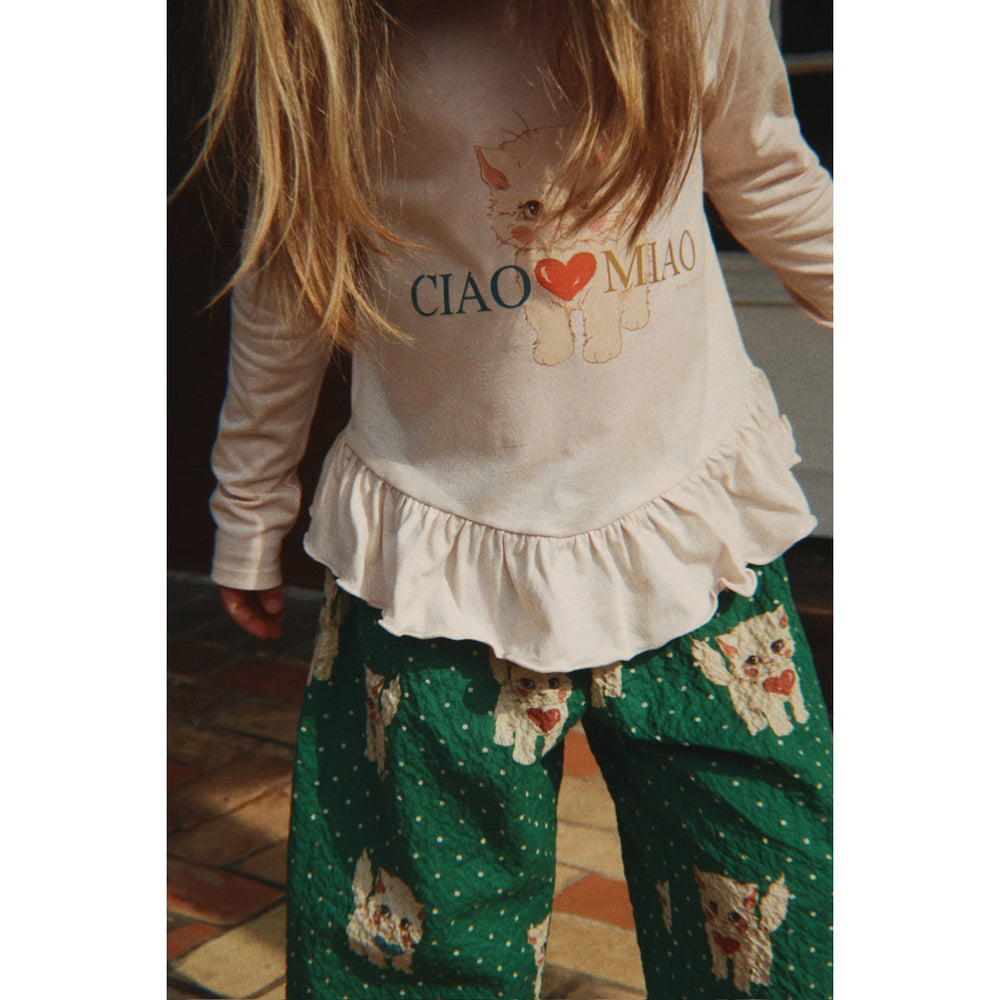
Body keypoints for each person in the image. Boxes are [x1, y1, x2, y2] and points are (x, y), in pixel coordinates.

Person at [198, 1, 832, 996]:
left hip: (695, 538)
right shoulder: (335, 37)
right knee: (417, 954)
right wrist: (249, 501)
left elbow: (762, 166)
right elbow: (292, 267)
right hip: (433, 569)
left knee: (779, 926)